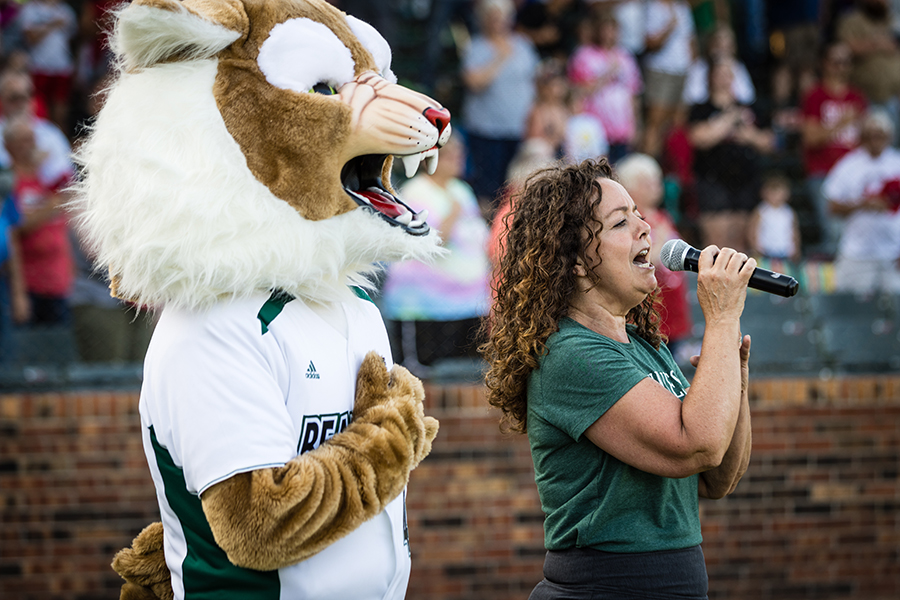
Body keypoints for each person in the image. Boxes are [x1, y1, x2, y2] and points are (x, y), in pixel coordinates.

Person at [481, 157, 753, 599]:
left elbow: (718, 476)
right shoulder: (571, 355)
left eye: (640, 215)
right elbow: (698, 444)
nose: (645, 227)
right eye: (620, 222)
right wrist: (721, 317)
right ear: (576, 260)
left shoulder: (646, 346)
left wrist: (733, 379)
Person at [380, 135, 491, 373]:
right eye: (451, 155)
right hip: (426, 310)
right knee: (428, 379)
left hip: (469, 306)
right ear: (431, 160)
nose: (458, 160)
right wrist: (452, 214)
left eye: (460, 154)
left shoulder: (462, 190)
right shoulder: (414, 193)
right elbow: (428, 243)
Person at [688, 57, 775, 252]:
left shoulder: (750, 107)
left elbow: (768, 141)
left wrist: (747, 135)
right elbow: (699, 138)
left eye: (728, 74)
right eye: (720, 74)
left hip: (745, 178)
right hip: (713, 179)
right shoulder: (701, 108)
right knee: (716, 244)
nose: (724, 79)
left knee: (741, 244)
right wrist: (730, 119)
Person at [461, 0, 539, 210]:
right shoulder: (476, 46)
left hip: (519, 128)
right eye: (492, 17)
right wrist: (499, 58)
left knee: (516, 184)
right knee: (488, 187)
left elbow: (534, 80)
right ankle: (487, 231)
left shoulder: (523, 44)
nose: (498, 22)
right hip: (487, 130)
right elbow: (474, 82)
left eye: (502, 17)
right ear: (484, 20)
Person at [616, 152, 692, 360]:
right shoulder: (631, 222)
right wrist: (662, 239)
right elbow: (643, 259)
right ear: (631, 187)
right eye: (648, 183)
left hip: (672, 305)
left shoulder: (663, 216)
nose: (657, 187)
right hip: (649, 310)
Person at [5, 115, 74, 325]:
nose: (33, 145)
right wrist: (52, 206)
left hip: (59, 284)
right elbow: (16, 227)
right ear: (9, 146)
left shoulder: (47, 178)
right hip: (29, 286)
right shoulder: (9, 183)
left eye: (33, 138)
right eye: (25, 140)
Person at [800, 41, 867, 258]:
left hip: (855, 175)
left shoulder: (857, 97)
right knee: (834, 234)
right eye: (836, 61)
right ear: (825, 63)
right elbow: (811, 138)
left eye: (846, 62)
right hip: (824, 172)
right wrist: (841, 123)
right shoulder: (815, 95)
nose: (841, 67)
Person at [822, 109, 900, 294]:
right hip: (857, 251)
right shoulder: (849, 165)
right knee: (850, 308)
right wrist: (861, 204)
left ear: (889, 137)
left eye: (880, 136)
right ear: (863, 137)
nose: (875, 141)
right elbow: (832, 206)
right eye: (871, 136)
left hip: (893, 251)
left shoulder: (897, 163)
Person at [567, 8, 642, 164]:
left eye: (613, 29)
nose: (609, 34)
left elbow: (633, 94)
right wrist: (606, 75)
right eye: (605, 29)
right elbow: (578, 91)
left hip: (621, 130)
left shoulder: (626, 57)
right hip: (594, 130)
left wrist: (635, 125)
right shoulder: (584, 55)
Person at [640, 0, 695, 158]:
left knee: (675, 125)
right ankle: (647, 165)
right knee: (655, 123)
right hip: (661, 70)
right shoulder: (653, 7)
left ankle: (667, 170)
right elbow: (650, 43)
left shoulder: (682, 7)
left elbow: (690, 41)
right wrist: (669, 27)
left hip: (682, 71)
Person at [17, 0, 77, 133]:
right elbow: (31, 38)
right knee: (39, 111)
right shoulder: (30, 10)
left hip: (62, 68)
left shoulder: (65, 10)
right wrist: (53, 24)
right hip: (38, 67)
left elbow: (73, 39)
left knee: (60, 113)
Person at [748, 172, 801, 262]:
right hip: (766, 251)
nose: (776, 197)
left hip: (785, 251)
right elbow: (752, 230)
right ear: (764, 193)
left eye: (779, 192)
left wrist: (796, 248)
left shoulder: (789, 212)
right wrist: (755, 248)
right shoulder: (761, 211)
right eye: (773, 193)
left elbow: (794, 231)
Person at [524, 60, 570, 157]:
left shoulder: (563, 108)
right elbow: (534, 140)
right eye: (554, 85)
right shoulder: (538, 110)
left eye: (560, 84)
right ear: (544, 88)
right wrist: (555, 138)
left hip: (562, 153)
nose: (559, 89)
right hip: (544, 156)